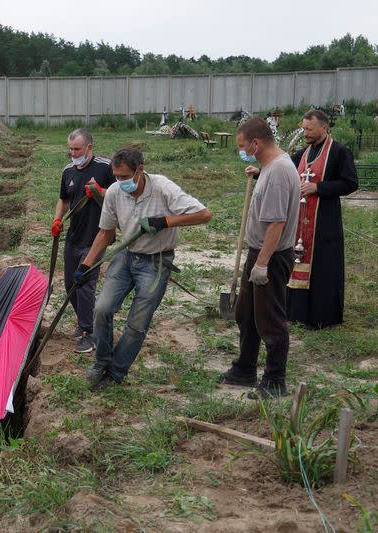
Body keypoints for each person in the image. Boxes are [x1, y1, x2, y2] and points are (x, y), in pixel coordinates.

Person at [75, 147, 211, 389]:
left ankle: (115, 373)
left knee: (137, 323)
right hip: (127, 258)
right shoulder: (115, 192)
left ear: (140, 170)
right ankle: (101, 363)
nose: (120, 181)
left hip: (156, 262)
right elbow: (105, 233)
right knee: (102, 308)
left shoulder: (162, 187)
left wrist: (166, 221)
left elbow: (204, 214)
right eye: (116, 176)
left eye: (125, 177)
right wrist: (86, 264)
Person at [220, 118, 301, 398]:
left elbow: (276, 223)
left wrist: (263, 264)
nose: (241, 151)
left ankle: (276, 380)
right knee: (246, 314)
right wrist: (258, 173)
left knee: (270, 319)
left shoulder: (278, 172)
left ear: (256, 143)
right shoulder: (271, 166)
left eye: (243, 146)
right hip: (260, 253)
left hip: (271, 256)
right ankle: (244, 369)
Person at [286, 110, 357, 329]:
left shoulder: (339, 152)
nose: (305, 133)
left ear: (324, 127)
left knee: (323, 267)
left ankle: (321, 317)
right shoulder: (302, 153)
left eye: (309, 129)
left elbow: (350, 183)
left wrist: (319, 187)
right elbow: (284, 170)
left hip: (324, 223)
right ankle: (297, 314)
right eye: (304, 128)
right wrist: (260, 172)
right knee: (298, 260)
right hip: (300, 222)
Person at [51, 128, 114, 353]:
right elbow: (63, 199)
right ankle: (86, 322)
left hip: (97, 236)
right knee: (70, 284)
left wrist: (100, 191)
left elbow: (122, 193)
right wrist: (58, 219)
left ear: (89, 147)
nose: (73, 153)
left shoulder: (105, 167)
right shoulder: (68, 170)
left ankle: (89, 334)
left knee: (85, 285)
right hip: (74, 237)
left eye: (77, 149)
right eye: (70, 149)